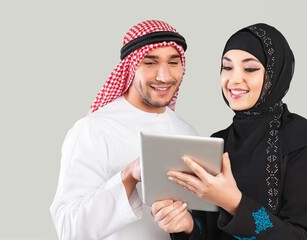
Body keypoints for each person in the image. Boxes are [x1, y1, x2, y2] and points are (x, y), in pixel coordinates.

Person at [151, 23, 307, 240]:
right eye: (227, 67)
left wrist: (234, 202)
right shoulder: (218, 142)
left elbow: (301, 237)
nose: (234, 79)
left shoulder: (300, 140)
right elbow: (208, 232)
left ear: (275, 74)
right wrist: (187, 226)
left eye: (250, 68)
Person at [49, 19, 198, 240]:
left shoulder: (188, 133)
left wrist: (188, 226)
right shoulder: (93, 130)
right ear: (130, 67)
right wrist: (129, 177)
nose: (164, 76)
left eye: (173, 62)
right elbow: (68, 229)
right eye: (150, 62)